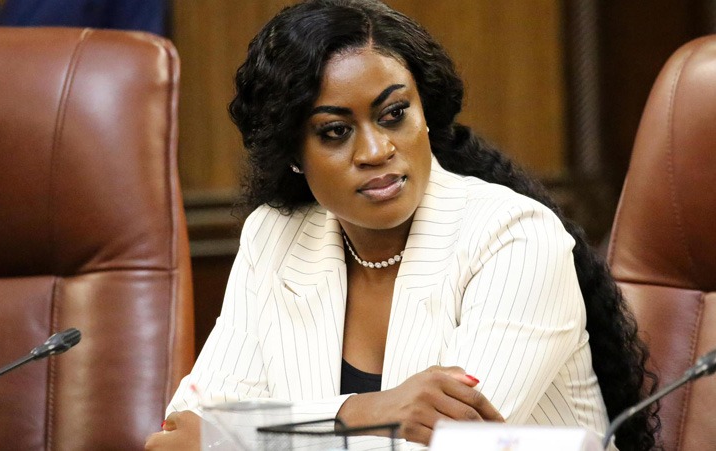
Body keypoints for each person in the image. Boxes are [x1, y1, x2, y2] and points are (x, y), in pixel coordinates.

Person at [146, 0, 659, 449]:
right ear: (292, 153)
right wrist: (365, 412)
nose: (376, 150)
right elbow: (182, 430)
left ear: (424, 112)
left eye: (393, 114)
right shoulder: (275, 236)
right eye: (335, 131)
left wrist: (238, 436)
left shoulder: (516, 238)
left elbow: (450, 445)